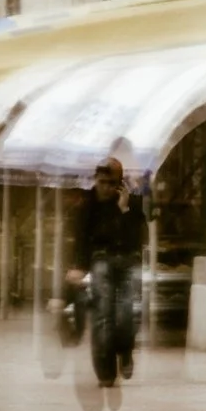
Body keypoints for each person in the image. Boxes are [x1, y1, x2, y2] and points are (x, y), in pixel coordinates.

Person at [68, 156, 147, 393]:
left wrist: (124, 210)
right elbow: (80, 239)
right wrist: (77, 266)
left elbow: (139, 238)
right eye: (102, 182)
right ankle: (105, 372)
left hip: (128, 263)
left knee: (126, 314)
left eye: (111, 183)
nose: (106, 188)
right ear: (96, 180)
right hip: (101, 261)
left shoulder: (131, 203)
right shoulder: (87, 205)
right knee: (103, 316)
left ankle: (125, 351)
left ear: (120, 184)